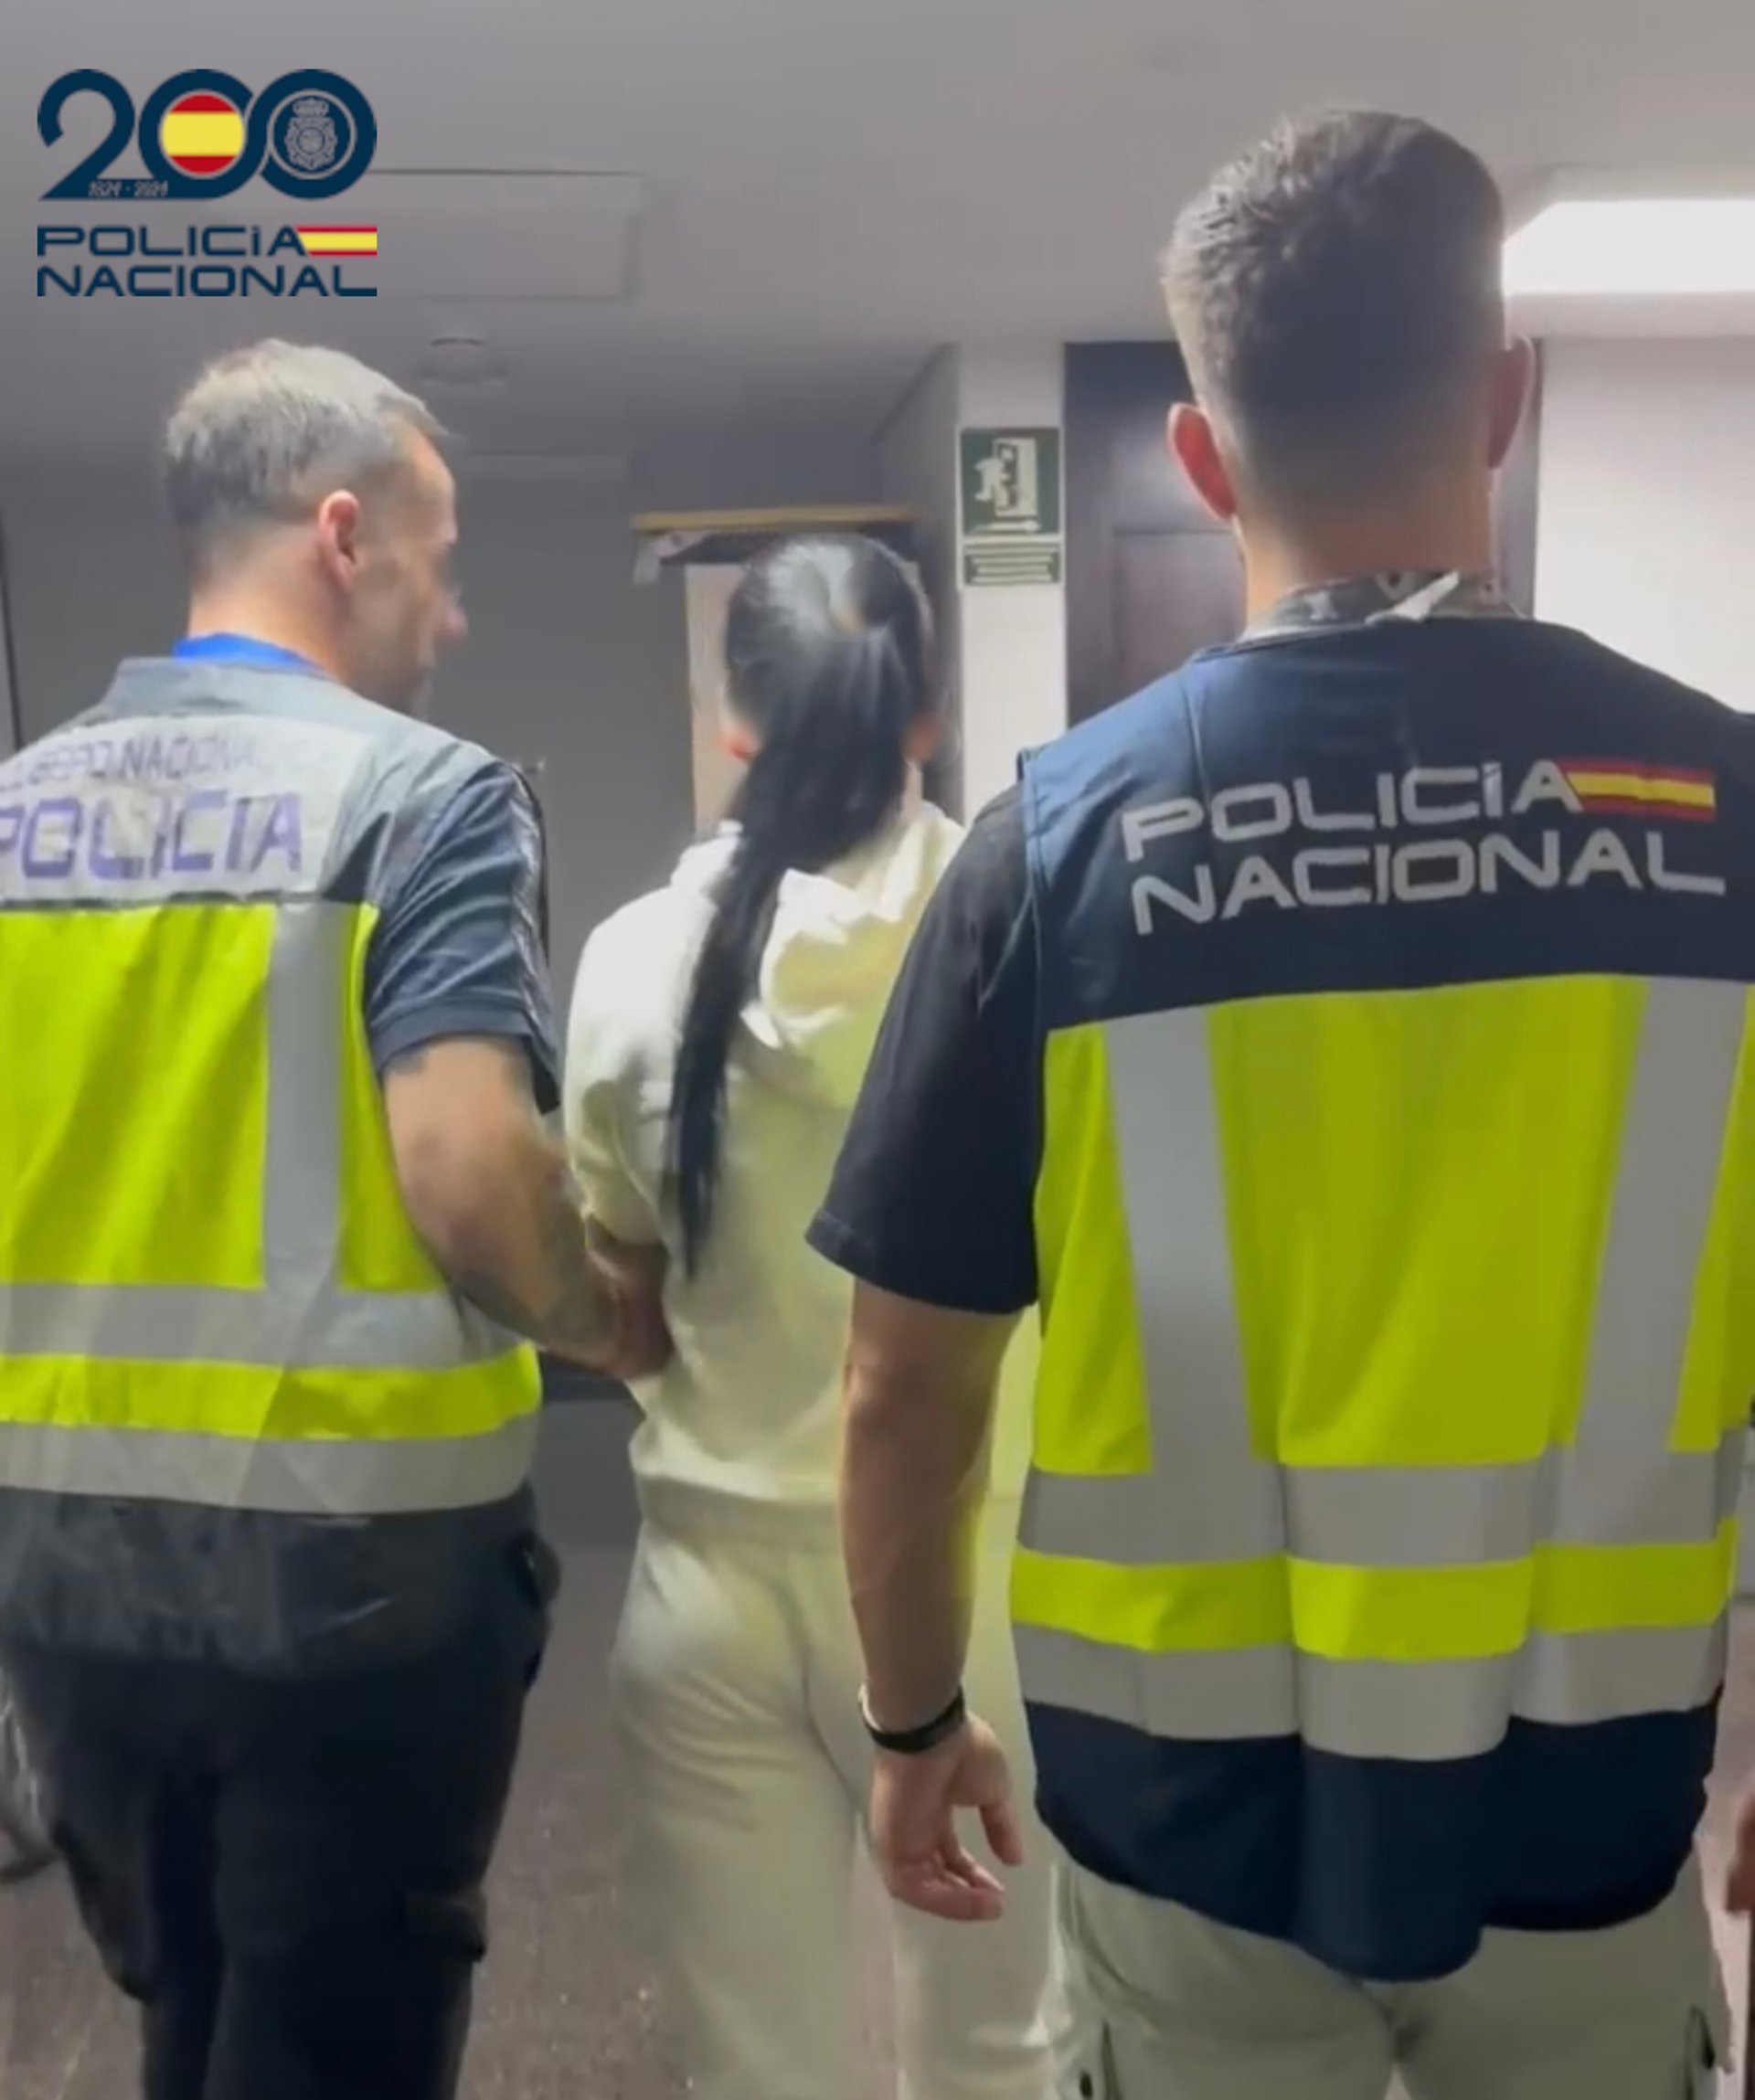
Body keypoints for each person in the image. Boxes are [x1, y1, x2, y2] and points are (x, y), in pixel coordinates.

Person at [810, 111, 1755, 2098]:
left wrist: (910, 1727)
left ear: (1202, 454)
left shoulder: (1055, 854)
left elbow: (904, 1386)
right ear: (1504, 401)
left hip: (1188, 1820)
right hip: (1592, 1796)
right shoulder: (1726, 820)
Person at [0, 339, 665, 2100]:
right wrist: (608, 1319)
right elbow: (467, 1171)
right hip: (351, 1582)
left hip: (62, 1574)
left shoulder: (13, 812)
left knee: (185, 2010)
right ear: (345, 534)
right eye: (440, 565)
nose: (451, 617)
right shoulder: (420, 799)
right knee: (332, 2048)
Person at [565, 534, 1058, 2099]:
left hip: (709, 1588)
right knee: (999, 2043)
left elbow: (620, 1286)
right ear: (927, 712)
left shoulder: (630, 964)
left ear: (735, 722)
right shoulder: (1024, 935)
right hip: (974, 1577)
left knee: (758, 2061)